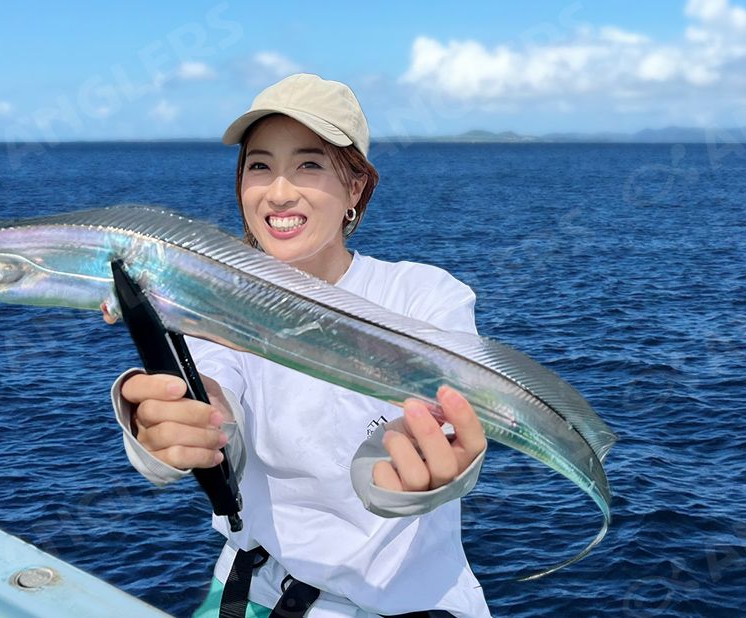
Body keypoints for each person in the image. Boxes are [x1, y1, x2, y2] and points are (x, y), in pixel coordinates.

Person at [104, 74, 491, 618]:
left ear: (355, 188)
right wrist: (167, 424)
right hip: (248, 594)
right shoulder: (206, 306)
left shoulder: (425, 297)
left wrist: (422, 473)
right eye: (259, 165)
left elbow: (445, 423)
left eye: (309, 164)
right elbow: (215, 400)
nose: (279, 191)